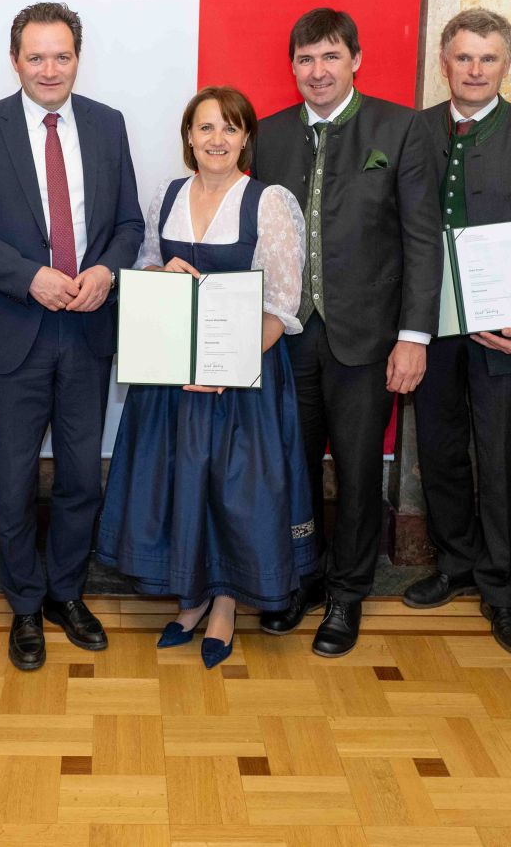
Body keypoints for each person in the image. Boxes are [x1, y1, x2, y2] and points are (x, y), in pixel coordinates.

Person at [0, 2, 144, 670]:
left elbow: (129, 224)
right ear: (14, 59)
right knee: (15, 479)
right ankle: (24, 603)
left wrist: (107, 271)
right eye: (36, 56)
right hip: (14, 330)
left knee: (83, 475)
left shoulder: (109, 126)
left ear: (78, 57)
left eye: (61, 55)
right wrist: (29, 277)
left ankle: (65, 592)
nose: (49, 68)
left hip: (87, 330)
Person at [98, 87, 315, 668]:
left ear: (246, 138)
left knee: (232, 493)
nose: (216, 139)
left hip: (240, 383)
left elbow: (284, 304)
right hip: (171, 381)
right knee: (180, 486)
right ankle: (189, 598)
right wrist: (157, 269)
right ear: (188, 137)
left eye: (229, 128)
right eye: (205, 128)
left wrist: (230, 366)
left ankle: (224, 603)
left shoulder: (267, 202)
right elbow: (143, 269)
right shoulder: (165, 196)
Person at [248, 8, 441, 657]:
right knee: (292, 465)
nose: (318, 70)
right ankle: (298, 576)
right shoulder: (267, 136)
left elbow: (421, 237)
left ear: (355, 58)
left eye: (330, 56)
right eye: (305, 59)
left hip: (368, 338)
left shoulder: (399, 127)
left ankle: (347, 591)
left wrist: (414, 335)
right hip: (287, 336)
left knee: (359, 469)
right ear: (293, 67)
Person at [405, 8, 511, 657]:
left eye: (488, 58)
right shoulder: (412, 129)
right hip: (428, 327)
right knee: (439, 450)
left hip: (504, 331)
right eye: (463, 57)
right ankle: (454, 561)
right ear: (444, 62)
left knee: (499, 458)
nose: (474, 69)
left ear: (506, 63)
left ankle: (502, 588)